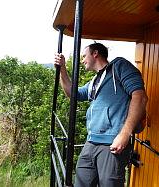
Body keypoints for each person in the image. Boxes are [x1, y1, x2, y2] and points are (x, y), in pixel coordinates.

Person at [54, 42, 148, 187]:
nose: (83, 60)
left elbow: (140, 97)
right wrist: (62, 70)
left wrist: (124, 134)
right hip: (91, 141)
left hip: (112, 142)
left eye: (85, 56)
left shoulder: (119, 66)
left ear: (95, 53)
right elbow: (72, 94)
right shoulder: (94, 82)